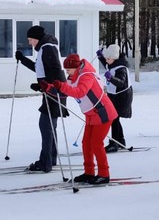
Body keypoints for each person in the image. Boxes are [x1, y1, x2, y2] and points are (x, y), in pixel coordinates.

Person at [42, 54, 118, 184]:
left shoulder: (86, 75)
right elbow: (65, 91)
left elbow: (79, 92)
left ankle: (104, 174)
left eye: (68, 70)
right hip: (91, 114)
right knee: (86, 144)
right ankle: (89, 173)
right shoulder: (74, 77)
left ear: (75, 67)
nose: (67, 72)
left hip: (103, 113)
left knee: (96, 144)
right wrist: (47, 88)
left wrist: (61, 86)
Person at [15, 25, 68, 173]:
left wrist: (46, 86)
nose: (29, 43)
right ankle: (50, 158)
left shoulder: (47, 48)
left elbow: (56, 71)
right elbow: (41, 70)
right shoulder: (45, 48)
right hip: (52, 92)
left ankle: (46, 162)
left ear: (37, 38)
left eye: (30, 40)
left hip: (54, 93)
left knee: (45, 125)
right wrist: (23, 59)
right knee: (49, 126)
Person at [96, 44, 132, 152]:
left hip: (122, 97)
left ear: (114, 58)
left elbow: (121, 83)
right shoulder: (112, 63)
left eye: (108, 58)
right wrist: (100, 57)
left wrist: (110, 78)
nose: (106, 61)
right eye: (106, 58)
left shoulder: (121, 69)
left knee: (113, 118)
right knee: (115, 119)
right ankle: (120, 141)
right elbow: (107, 63)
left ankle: (115, 143)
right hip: (114, 96)